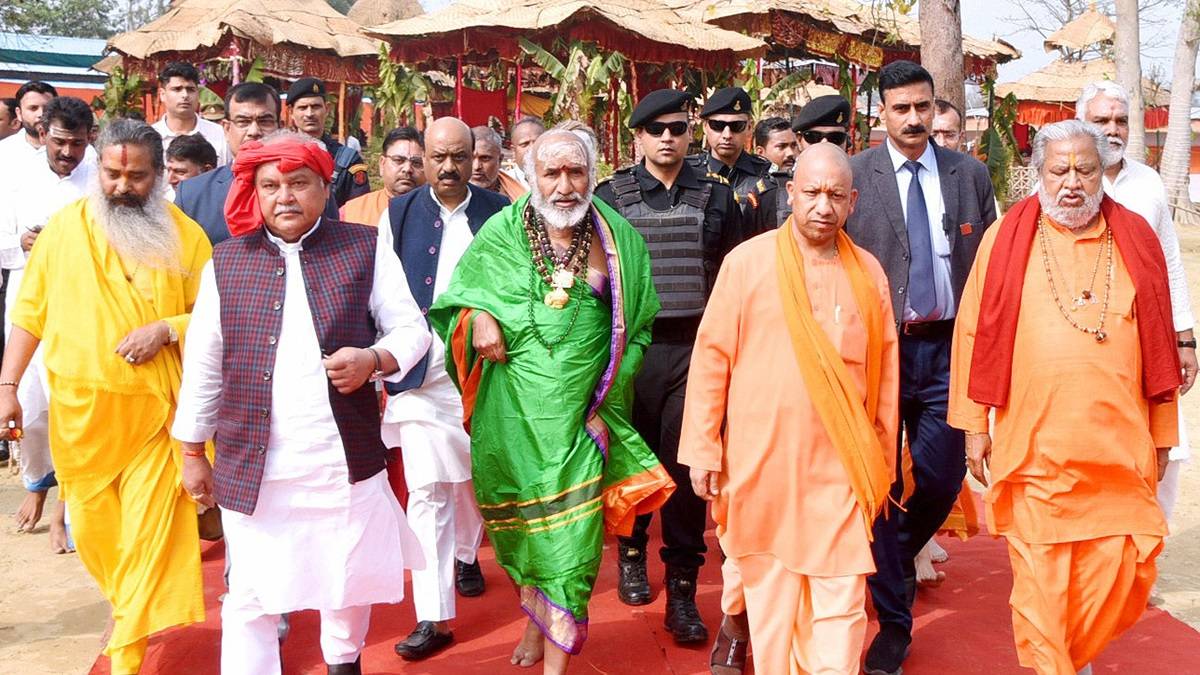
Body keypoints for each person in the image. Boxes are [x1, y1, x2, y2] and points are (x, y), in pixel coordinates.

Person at [172, 130, 430, 675]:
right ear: (255, 192)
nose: (284, 197)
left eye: (298, 183)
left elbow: (412, 330)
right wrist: (192, 451)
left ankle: (342, 662)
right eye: (270, 186)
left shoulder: (362, 247)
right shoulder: (227, 261)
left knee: (346, 580)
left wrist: (374, 359)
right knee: (250, 593)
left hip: (340, 459)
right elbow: (204, 363)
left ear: (324, 187)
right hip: (253, 462)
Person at [429, 128, 673, 674]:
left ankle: (556, 663)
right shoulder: (502, 233)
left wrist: (608, 387)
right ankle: (536, 622)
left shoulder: (620, 241)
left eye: (576, 172)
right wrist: (480, 318)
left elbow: (641, 326)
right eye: (552, 173)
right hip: (512, 418)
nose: (565, 186)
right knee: (523, 533)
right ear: (531, 175)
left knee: (572, 544)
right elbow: (456, 304)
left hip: (582, 419)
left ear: (592, 174)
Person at [949, 119, 1179, 675]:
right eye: (1058, 171)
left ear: (1104, 173)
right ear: (1038, 173)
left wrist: (1163, 435)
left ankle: (1073, 660)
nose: (1071, 183)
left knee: (1121, 575)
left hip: (1117, 454)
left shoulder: (1136, 239)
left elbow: (1158, 345)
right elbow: (973, 334)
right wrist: (975, 426)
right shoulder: (1005, 240)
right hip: (1036, 453)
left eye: (1085, 170)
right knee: (1042, 591)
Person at [0, 118, 210, 674]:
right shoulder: (64, 231)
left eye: (136, 176)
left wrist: (166, 329)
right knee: (97, 538)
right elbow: (29, 316)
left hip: (155, 418)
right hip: (81, 417)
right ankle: (128, 611)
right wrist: (7, 388)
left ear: (159, 176)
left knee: (148, 537)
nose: (122, 186)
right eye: (113, 174)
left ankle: (126, 655)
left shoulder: (186, 237)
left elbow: (214, 319)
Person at [681, 143, 898, 675]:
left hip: (840, 468)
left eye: (836, 196)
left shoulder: (868, 273)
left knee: (841, 597)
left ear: (852, 202)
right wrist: (703, 449)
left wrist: (882, 461)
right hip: (763, 465)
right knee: (769, 595)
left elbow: (886, 375)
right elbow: (711, 359)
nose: (823, 206)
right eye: (812, 193)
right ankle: (743, 627)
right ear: (790, 194)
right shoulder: (746, 263)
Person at [843, 60, 997, 675]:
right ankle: (894, 626)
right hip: (878, 352)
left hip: (948, 351)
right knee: (880, 482)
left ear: (936, 107)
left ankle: (894, 556)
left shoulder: (968, 174)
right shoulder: (855, 175)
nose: (913, 119)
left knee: (941, 477)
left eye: (923, 107)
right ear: (881, 112)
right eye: (901, 108)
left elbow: (988, 269)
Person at [594, 89, 742, 645]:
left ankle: (683, 589)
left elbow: (735, 277)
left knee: (685, 471)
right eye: (655, 129)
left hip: (695, 351)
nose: (667, 138)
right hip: (630, 351)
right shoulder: (609, 197)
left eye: (677, 128)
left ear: (689, 133)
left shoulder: (718, 197)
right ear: (638, 136)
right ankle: (632, 554)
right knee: (634, 461)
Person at [379, 117, 508, 661]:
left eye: (460, 157)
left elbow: (516, 285)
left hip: (484, 373)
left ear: (475, 157)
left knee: (475, 480)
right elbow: (381, 292)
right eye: (438, 157)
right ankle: (433, 616)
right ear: (424, 158)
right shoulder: (399, 214)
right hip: (419, 375)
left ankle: (466, 551)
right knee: (428, 489)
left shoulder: (500, 212)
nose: (449, 168)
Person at [1076, 80, 1196, 524]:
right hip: (1087, 341)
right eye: (1101, 120)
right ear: (1080, 124)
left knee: (1162, 449)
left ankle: (1145, 549)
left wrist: (1185, 339)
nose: (1113, 129)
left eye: (1121, 120)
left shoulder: (1149, 183)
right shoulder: (1063, 184)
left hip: (1148, 337)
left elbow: (1170, 265)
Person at [0, 96, 97, 550]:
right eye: (60, 142)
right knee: (31, 407)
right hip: (29, 298)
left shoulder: (100, 176)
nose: (67, 153)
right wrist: (20, 241)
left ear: (89, 139)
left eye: (77, 144)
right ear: (42, 134)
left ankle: (66, 507)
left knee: (74, 408)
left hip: (85, 306)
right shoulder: (14, 173)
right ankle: (38, 483)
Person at [176, 83, 339, 245]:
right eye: (243, 122)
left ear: (280, 127)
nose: (254, 131)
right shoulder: (193, 194)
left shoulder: (309, 187)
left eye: (264, 121)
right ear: (226, 128)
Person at [286, 78, 370, 207]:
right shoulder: (280, 154)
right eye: (302, 108)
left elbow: (359, 207)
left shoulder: (347, 159)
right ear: (291, 112)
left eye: (316, 107)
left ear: (327, 109)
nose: (309, 114)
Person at [150, 62, 231, 168]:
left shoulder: (220, 135)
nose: (185, 95)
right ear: (162, 94)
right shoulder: (149, 138)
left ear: (198, 93)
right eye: (177, 89)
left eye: (190, 89)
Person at [340, 126, 425, 226]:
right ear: (382, 164)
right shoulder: (351, 212)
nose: (407, 169)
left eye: (416, 163)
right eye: (398, 160)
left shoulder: (438, 213)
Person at [0, 81, 58, 175]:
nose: (41, 114)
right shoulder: (4, 151)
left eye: (47, 108)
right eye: (33, 108)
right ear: (19, 113)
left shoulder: (75, 150)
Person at [470, 125, 526, 201]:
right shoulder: (454, 194)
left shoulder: (519, 197)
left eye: (485, 158)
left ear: (500, 160)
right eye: (471, 158)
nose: (476, 166)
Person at [505, 117, 544, 186]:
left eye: (537, 142)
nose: (532, 149)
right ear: (513, 151)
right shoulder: (504, 183)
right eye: (525, 144)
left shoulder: (558, 178)